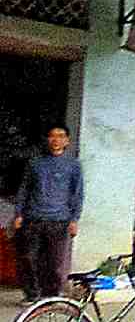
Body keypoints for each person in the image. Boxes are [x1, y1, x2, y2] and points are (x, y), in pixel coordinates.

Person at [13, 124, 83, 304]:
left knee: (55, 263)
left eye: (60, 136)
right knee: (28, 258)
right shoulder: (35, 163)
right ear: (47, 139)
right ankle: (32, 295)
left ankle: (51, 296)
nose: (56, 140)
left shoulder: (73, 165)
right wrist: (19, 214)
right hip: (33, 218)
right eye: (52, 136)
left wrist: (74, 219)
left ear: (67, 141)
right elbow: (24, 190)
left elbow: (77, 193)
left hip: (60, 220)